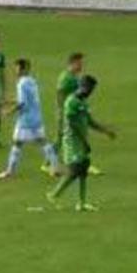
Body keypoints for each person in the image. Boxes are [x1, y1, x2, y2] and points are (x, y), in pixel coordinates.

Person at [46, 75, 116, 211]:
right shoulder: (71, 102)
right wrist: (84, 142)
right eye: (91, 89)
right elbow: (72, 124)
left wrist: (105, 131)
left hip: (81, 140)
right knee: (75, 169)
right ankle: (53, 194)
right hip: (72, 141)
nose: (92, 92)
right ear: (85, 87)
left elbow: (89, 121)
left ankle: (81, 203)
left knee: (84, 167)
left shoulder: (83, 102)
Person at [0, 59, 60, 179]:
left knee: (17, 143)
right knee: (43, 142)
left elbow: (23, 103)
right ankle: (55, 167)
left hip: (25, 120)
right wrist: (8, 102)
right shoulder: (32, 81)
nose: (16, 70)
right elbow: (27, 99)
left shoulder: (21, 83)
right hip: (37, 117)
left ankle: (9, 172)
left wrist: (8, 112)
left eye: (18, 68)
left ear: (24, 69)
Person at [56, 53, 101, 176]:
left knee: (64, 139)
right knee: (73, 138)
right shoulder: (66, 78)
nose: (82, 65)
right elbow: (60, 94)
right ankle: (81, 165)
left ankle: (50, 162)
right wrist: (61, 111)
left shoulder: (74, 77)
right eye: (80, 63)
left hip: (75, 111)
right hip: (69, 113)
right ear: (73, 63)